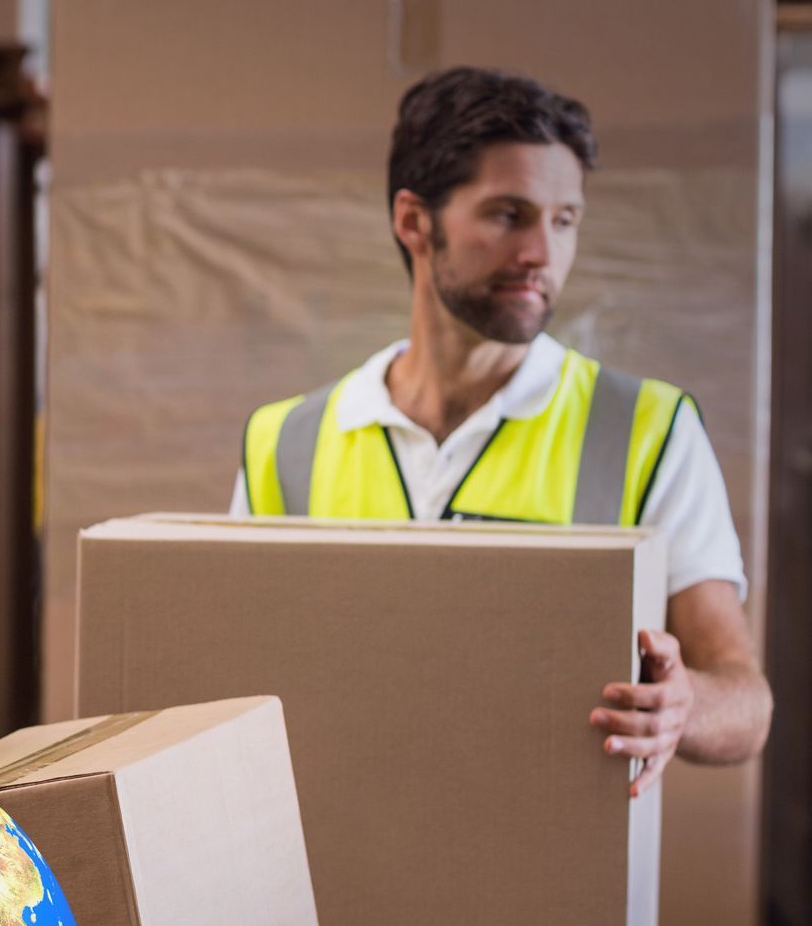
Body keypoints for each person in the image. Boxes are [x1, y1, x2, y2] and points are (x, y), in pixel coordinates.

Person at [232, 66, 772, 796]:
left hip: (548, 890)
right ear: (414, 221)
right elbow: (228, 696)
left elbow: (747, 702)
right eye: (508, 214)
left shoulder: (649, 429)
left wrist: (684, 706)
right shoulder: (286, 443)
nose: (542, 254)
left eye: (564, 220)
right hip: (329, 887)